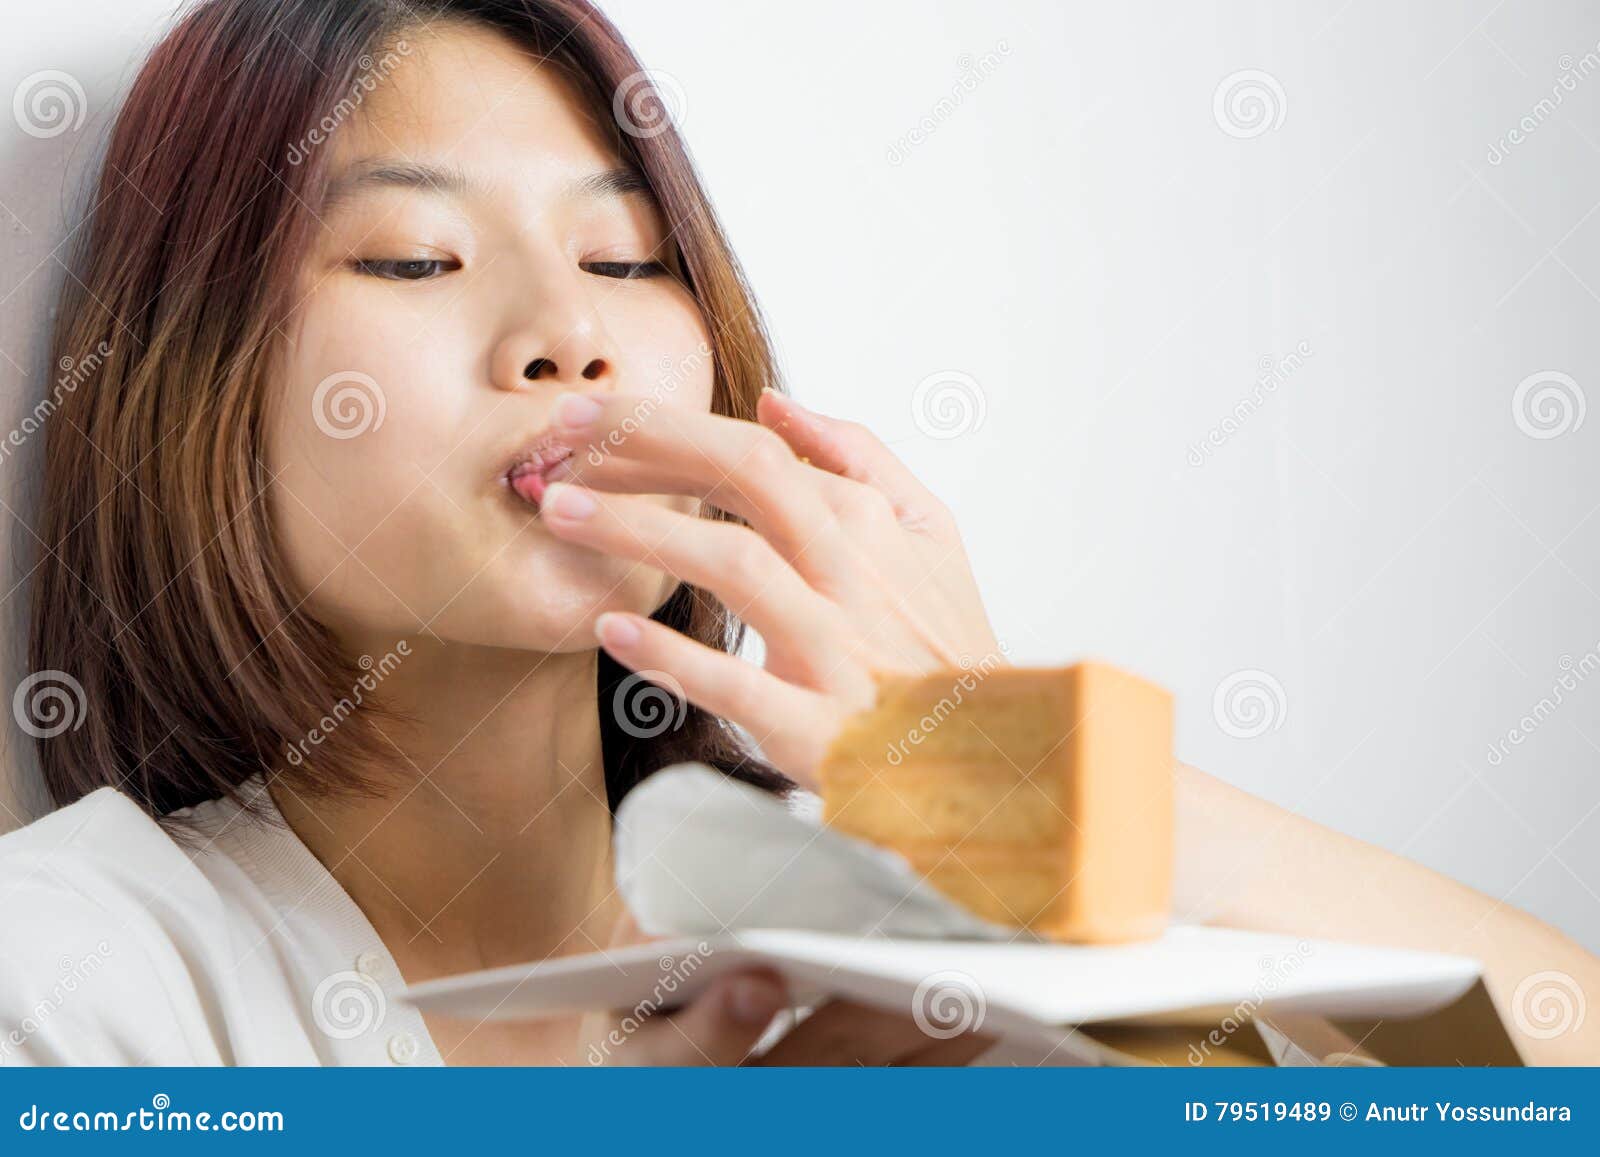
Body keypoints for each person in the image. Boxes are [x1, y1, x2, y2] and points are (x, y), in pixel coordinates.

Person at [1, 0, 1594, 1067]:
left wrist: (1065, 787)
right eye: (417, 260)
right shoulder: (81, 976)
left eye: (626, 259)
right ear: (192, 382)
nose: (569, 334)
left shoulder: (905, 909)